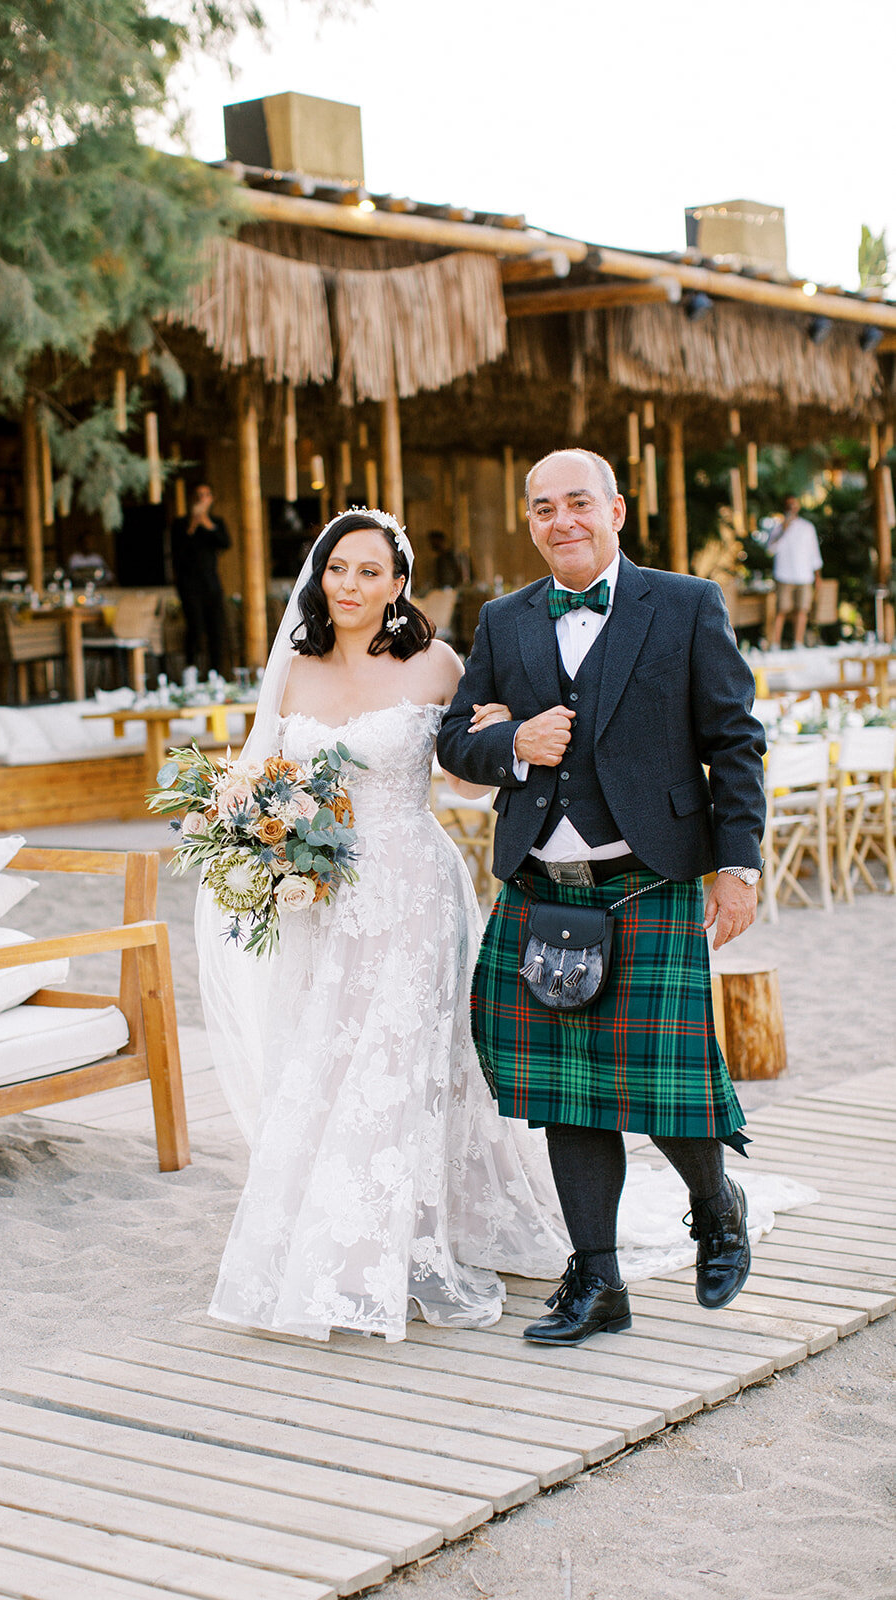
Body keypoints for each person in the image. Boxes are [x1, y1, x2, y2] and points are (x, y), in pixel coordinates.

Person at [204, 509, 572, 1341]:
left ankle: (396, 1235)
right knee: (322, 1054)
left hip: (411, 891)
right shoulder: (292, 670)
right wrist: (244, 807)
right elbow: (262, 767)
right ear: (318, 575)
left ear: (398, 585)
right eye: (338, 569)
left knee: (403, 1060)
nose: (350, 585)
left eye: (370, 572)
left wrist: (504, 737)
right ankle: (326, 1228)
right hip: (318, 898)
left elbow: (475, 779)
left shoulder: (437, 664)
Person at [437, 448, 769, 1347]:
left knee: (666, 1084)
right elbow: (454, 742)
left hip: (651, 878)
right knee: (566, 1093)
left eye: (578, 502)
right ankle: (598, 1282)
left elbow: (735, 742)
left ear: (616, 509)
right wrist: (512, 742)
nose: (562, 521)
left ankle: (716, 1201)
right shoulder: (504, 621)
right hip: (545, 887)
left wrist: (737, 868)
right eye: (543, 509)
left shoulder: (688, 604)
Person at [170, 484, 231, 675]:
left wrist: (205, 522)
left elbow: (225, 542)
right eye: (198, 495)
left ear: (211, 499)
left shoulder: (216, 522)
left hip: (211, 582)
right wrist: (193, 524)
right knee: (195, 627)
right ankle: (191, 670)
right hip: (188, 584)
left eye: (205, 495)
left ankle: (216, 673)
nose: (201, 499)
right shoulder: (180, 524)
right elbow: (178, 550)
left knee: (216, 628)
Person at [767, 495, 823, 649]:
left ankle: (798, 642)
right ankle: (775, 643)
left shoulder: (807, 527)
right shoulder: (777, 527)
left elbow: (814, 553)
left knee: (802, 610)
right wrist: (783, 530)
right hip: (784, 575)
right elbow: (770, 550)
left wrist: (818, 575)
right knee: (781, 610)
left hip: (804, 575)